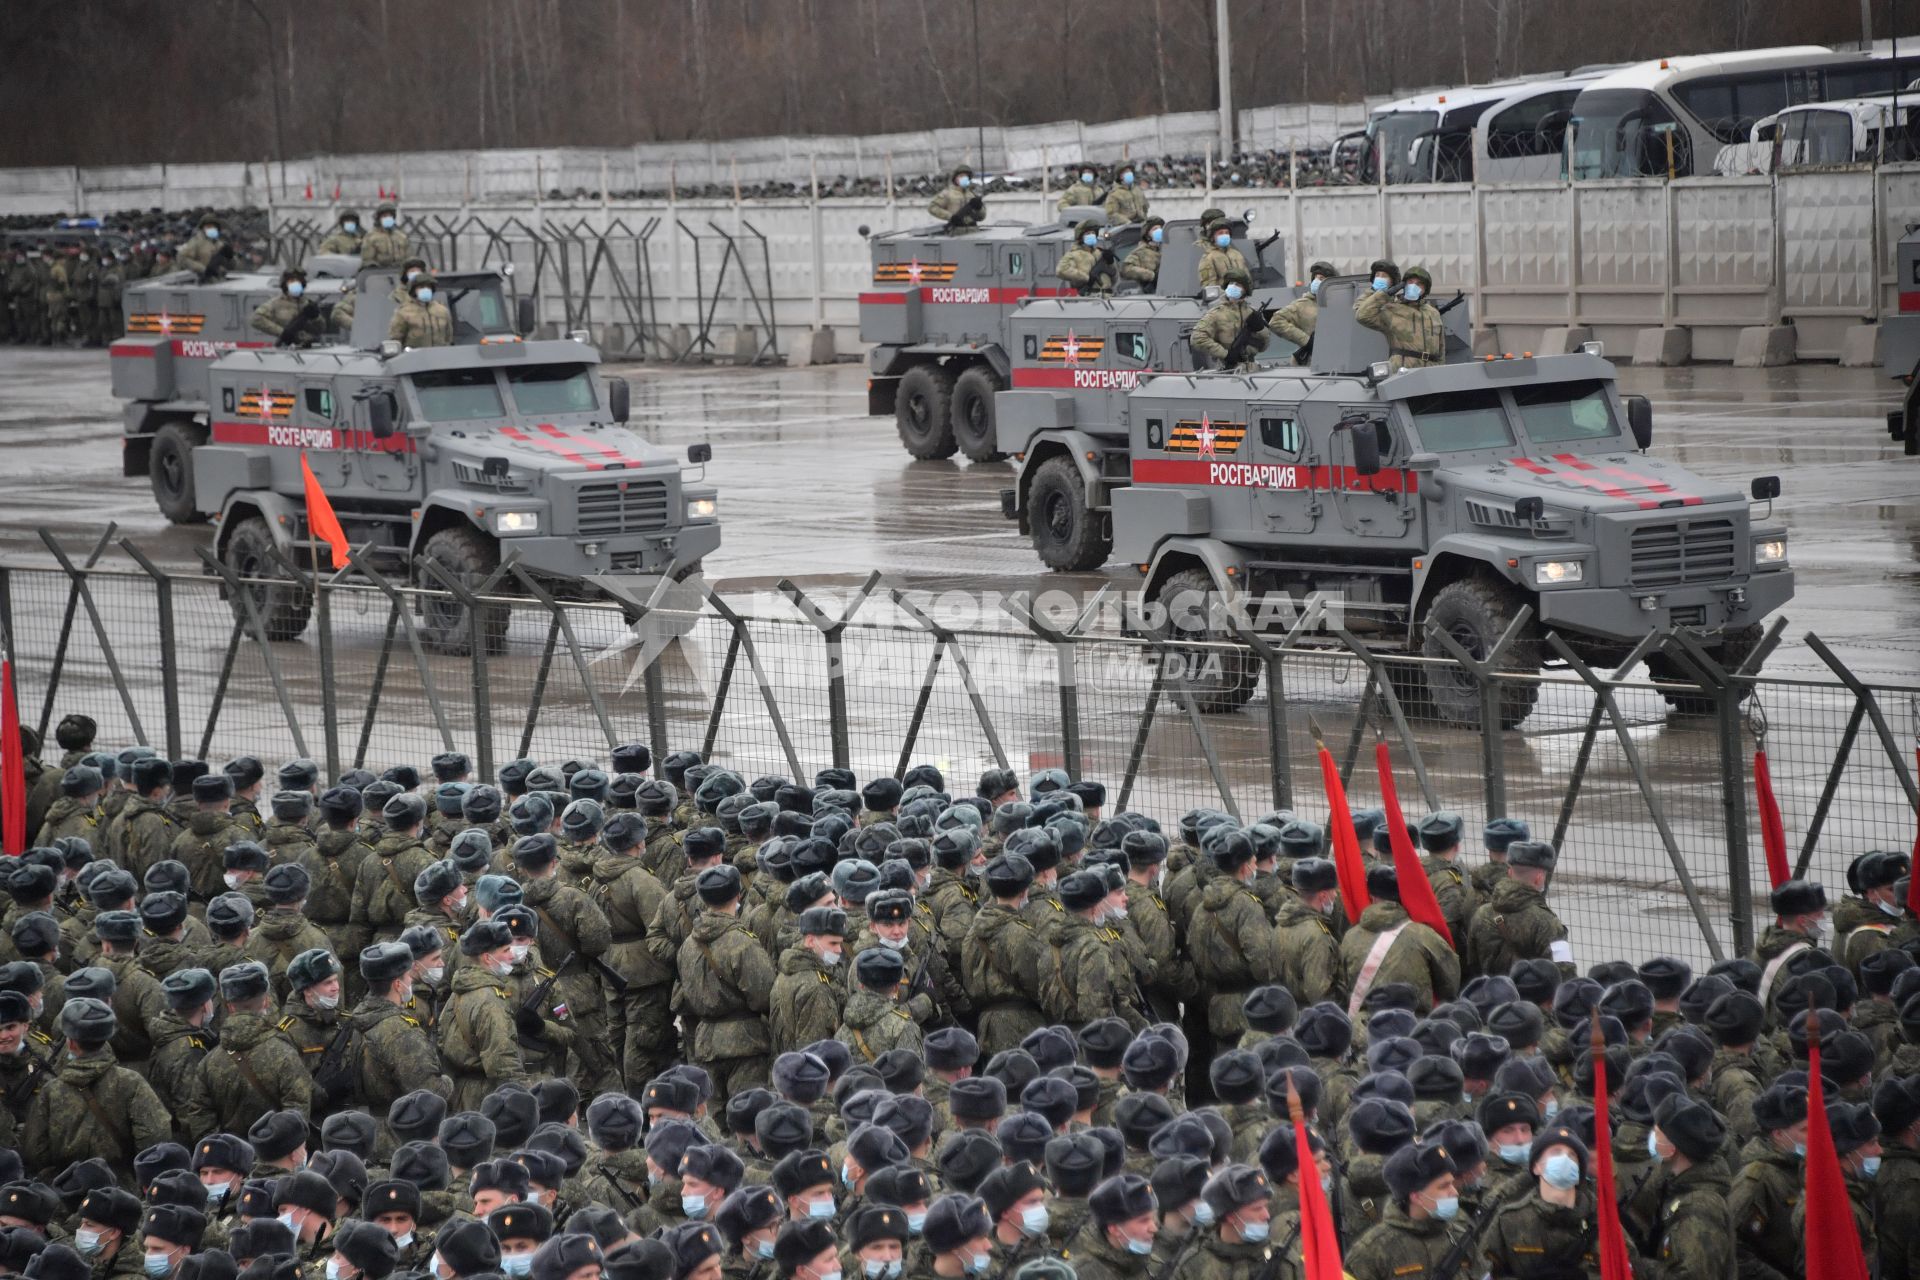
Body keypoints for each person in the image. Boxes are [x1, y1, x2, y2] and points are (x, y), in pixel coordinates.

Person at [1466, 840, 1573, 980]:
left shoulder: (1481, 914)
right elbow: (1565, 973)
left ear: (1510, 872)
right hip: (1532, 999)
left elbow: (1472, 965)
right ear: (1539, 878)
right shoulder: (1548, 923)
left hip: (1490, 996)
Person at [1355, 263, 1443, 371]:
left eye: (1419, 284)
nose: (1414, 286)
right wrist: (1385, 294)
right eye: (1410, 282)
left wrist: (1441, 371)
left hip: (1431, 370)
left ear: (1425, 289)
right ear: (1404, 285)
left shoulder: (1433, 313)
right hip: (1402, 371)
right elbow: (1363, 315)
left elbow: (1441, 348)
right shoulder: (1392, 309)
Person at [1188, 267, 1268, 372]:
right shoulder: (1216, 314)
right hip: (1227, 370)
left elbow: (1264, 345)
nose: (1233, 287)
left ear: (1245, 289)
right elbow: (1197, 338)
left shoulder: (1253, 313)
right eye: (1231, 283)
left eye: (1238, 284)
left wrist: (1261, 329)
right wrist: (1225, 354)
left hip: (1253, 370)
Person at [1269, 260, 1335, 358]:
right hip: (1310, 362)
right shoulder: (1302, 305)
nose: (1317, 282)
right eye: (1315, 278)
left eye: (1321, 278)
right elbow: (1276, 321)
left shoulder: (1337, 304)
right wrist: (1306, 341)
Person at [250, 270, 321, 346]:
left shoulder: (307, 303)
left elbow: (321, 328)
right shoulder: (275, 303)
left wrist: (315, 317)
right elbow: (256, 319)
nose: (295, 284)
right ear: (285, 284)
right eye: (291, 281)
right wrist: (282, 332)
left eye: (299, 281)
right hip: (285, 348)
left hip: (310, 347)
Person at [388, 272, 453, 349]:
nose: (426, 289)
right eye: (421, 287)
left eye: (428, 287)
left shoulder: (442, 311)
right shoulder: (404, 312)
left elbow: (449, 336)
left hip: (440, 355)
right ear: (413, 290)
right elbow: (396, 339)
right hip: (414, 357)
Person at [1054, 222, 1116, 297]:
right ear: (1080, 236)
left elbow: (1114, 279)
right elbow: (1061, 270)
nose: (1091, 235)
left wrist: (1110, 262)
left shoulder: (1100, 253)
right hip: (1087, 297)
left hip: (1108, 298)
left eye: (1093, 233)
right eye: (1088, 233)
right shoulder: (1073, 254)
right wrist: (1087, 277)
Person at [1196, 219, 1248, 291]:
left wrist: (1243, 292)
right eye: (1220, 233)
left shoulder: (1237, 255)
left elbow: (1247, 278)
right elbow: (1209, 285)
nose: (1224, 235)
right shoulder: (1209, 258)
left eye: (1227, 233)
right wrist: (1227, 294)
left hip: (1241, 297)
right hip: (1221, 300)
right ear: (1213, 237)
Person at [1120, 217, 1165, 292]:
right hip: (1151, 293)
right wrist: (1151, 275)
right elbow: (1126, 269)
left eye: (1160, 228)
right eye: (1155, 229)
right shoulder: (1140, 252)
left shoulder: (1167, 250)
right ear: (1147, 233)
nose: (1159, 231)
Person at [361, 204, 411, 269]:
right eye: (384, 216)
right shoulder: (371, 237)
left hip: (400, 272)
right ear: (379, 219)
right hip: (380, 273)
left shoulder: (401, 236)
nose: (388, 218)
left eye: (390, 216)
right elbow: (367, 260)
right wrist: (375, 266)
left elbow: (410, 257)